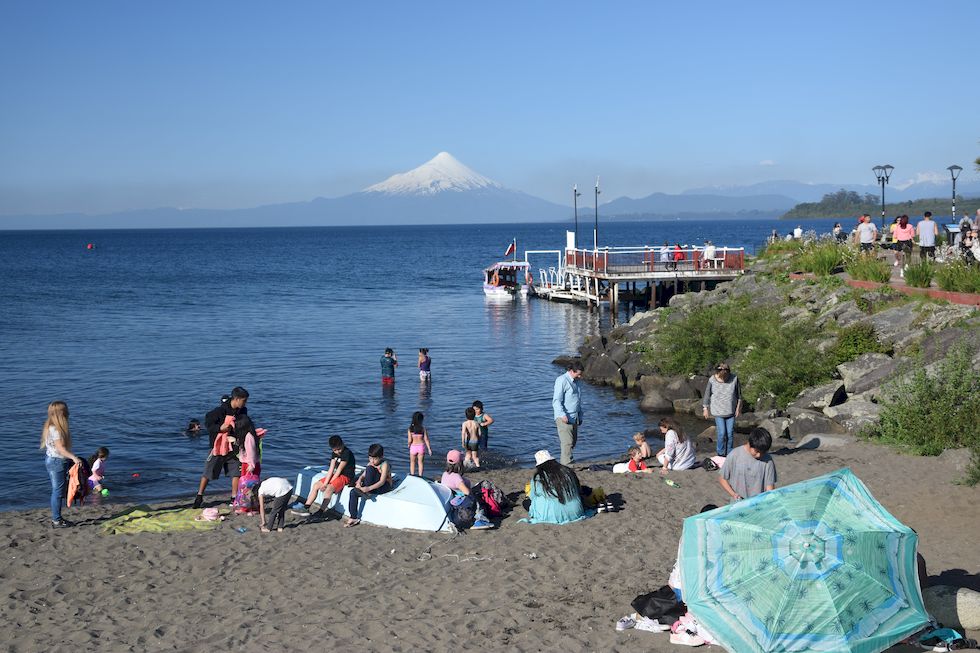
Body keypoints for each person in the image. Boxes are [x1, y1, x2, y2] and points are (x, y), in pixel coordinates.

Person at [193, 386, 249, 509]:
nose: (245, 403)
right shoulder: (220, 411)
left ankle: (234, 497)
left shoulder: (242, 410)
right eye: (244, 400)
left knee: (236, 472)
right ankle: (199, 496)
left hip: (234, 445)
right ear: (236, 399)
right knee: (209, 471)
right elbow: (208, 423)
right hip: (218, 446)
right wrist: (220, 428)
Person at [41, 400, 83, 528]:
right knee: (58, 492)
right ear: (62, 413)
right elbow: (61, 449)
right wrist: (74, 458)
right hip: (57, 462)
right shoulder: (56, 430)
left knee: (58, 490)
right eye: (66, 410)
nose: (68, 412)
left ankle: (57, 518)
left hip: (53, 459)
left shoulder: (50, 426)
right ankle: (57, 520)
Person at [291, 435, 355, 516]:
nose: (338, 452)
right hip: (335, 475)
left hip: (345, 476)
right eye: (335, 450)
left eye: (339, 449)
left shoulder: (346, 453)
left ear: (342, 444)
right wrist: (324, 483)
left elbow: (339, 470)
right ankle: (306, 507)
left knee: (329, 489)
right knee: (316, 485)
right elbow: (331, 469)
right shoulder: (334, 454)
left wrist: (327, 484)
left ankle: (320, 511)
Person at [525, 450, 588, 524]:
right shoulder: (568, 471)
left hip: (549, 515)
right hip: (576, 512)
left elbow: (532, 497)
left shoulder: (538, 477)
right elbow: (578, 490)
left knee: (526, 502)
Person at [719, 428, 776, 502]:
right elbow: (722, 478)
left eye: (762, 452)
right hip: (737, 503)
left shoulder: (768, 460)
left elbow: (769, 486)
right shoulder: (735, 455)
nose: (759, 455)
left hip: (758, 503)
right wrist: (733, 494)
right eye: (757, 451)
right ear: (749, 443)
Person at [440, 450, 492, 530]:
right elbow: (467, 492)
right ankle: (479, 520)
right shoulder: (456, 477)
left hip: (453, 500)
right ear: (460, 463)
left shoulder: (445, 474)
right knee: (476, 499)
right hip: (461, 501)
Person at [345, 443, 392, 527]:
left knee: (370, 468)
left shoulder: (385, 464)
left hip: (384, 486)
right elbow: (363, 475)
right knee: (353, 492)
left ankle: (367, 492)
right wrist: (359, 481)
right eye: (370, 458)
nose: (372, 461)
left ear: (381, 457)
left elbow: (382, 481)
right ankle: (353, 517)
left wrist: (368, 488)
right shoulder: (370, 463)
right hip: (371, 486)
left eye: (375, 459)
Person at [702, 363, 741, 457]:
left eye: (726, 375)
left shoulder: (734, 378)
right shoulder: (712, 380)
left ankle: (729, 453)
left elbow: (739, 396)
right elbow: (707, 394)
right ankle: (720, 452)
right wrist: (705, 408)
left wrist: (738, 408)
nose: (724, 378)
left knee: (730, 433)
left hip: (731, 411)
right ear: (718, 372)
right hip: (718, 411)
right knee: (722, 433)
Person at [552, 361, 583, 465]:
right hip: (564, 417)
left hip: (575, 416)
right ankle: (567, 464)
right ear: (571, 371)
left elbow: (578, 400)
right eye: (578, 373)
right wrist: (562, 414)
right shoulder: (562, 380)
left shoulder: (577, 381)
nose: (580, 376)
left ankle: (567, 461)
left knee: (573, 442)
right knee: (567, 443)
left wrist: (580, 415)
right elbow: (556, 400)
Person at [407, 411, 432, 477]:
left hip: (413, 447)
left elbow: (409, 440)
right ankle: (420, 476)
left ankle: (412, 475)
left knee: (412, 462)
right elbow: (426, 439)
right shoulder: (423, 429)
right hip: (421, 447)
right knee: (420, 463)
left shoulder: (410, 429)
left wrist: (409, 445)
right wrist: (429, 449)